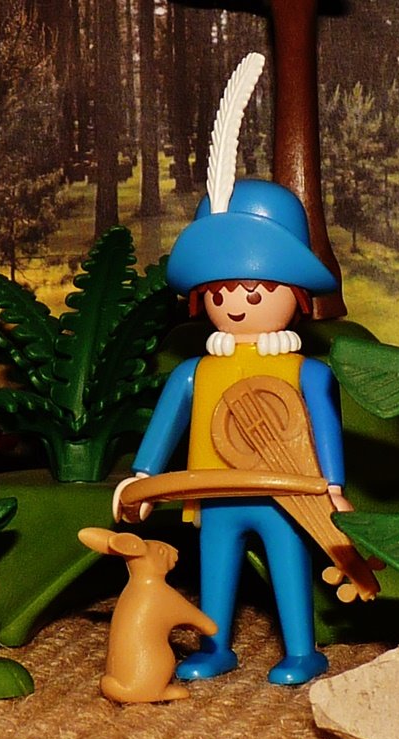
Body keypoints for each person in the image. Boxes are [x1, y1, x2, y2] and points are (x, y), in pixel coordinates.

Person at [114, 177, 348, 686]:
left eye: (256, 291)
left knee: (289, 568)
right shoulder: (195, 372)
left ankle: (301, 651)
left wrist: (333, 486)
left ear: (296, 295)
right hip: (214, 492)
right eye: (220, 293)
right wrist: (143, 476)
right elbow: (167, 424)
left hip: (284, 496)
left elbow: (326, 427)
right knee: (214, 573)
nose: (237, 304)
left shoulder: (305, 372)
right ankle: (216, 647)